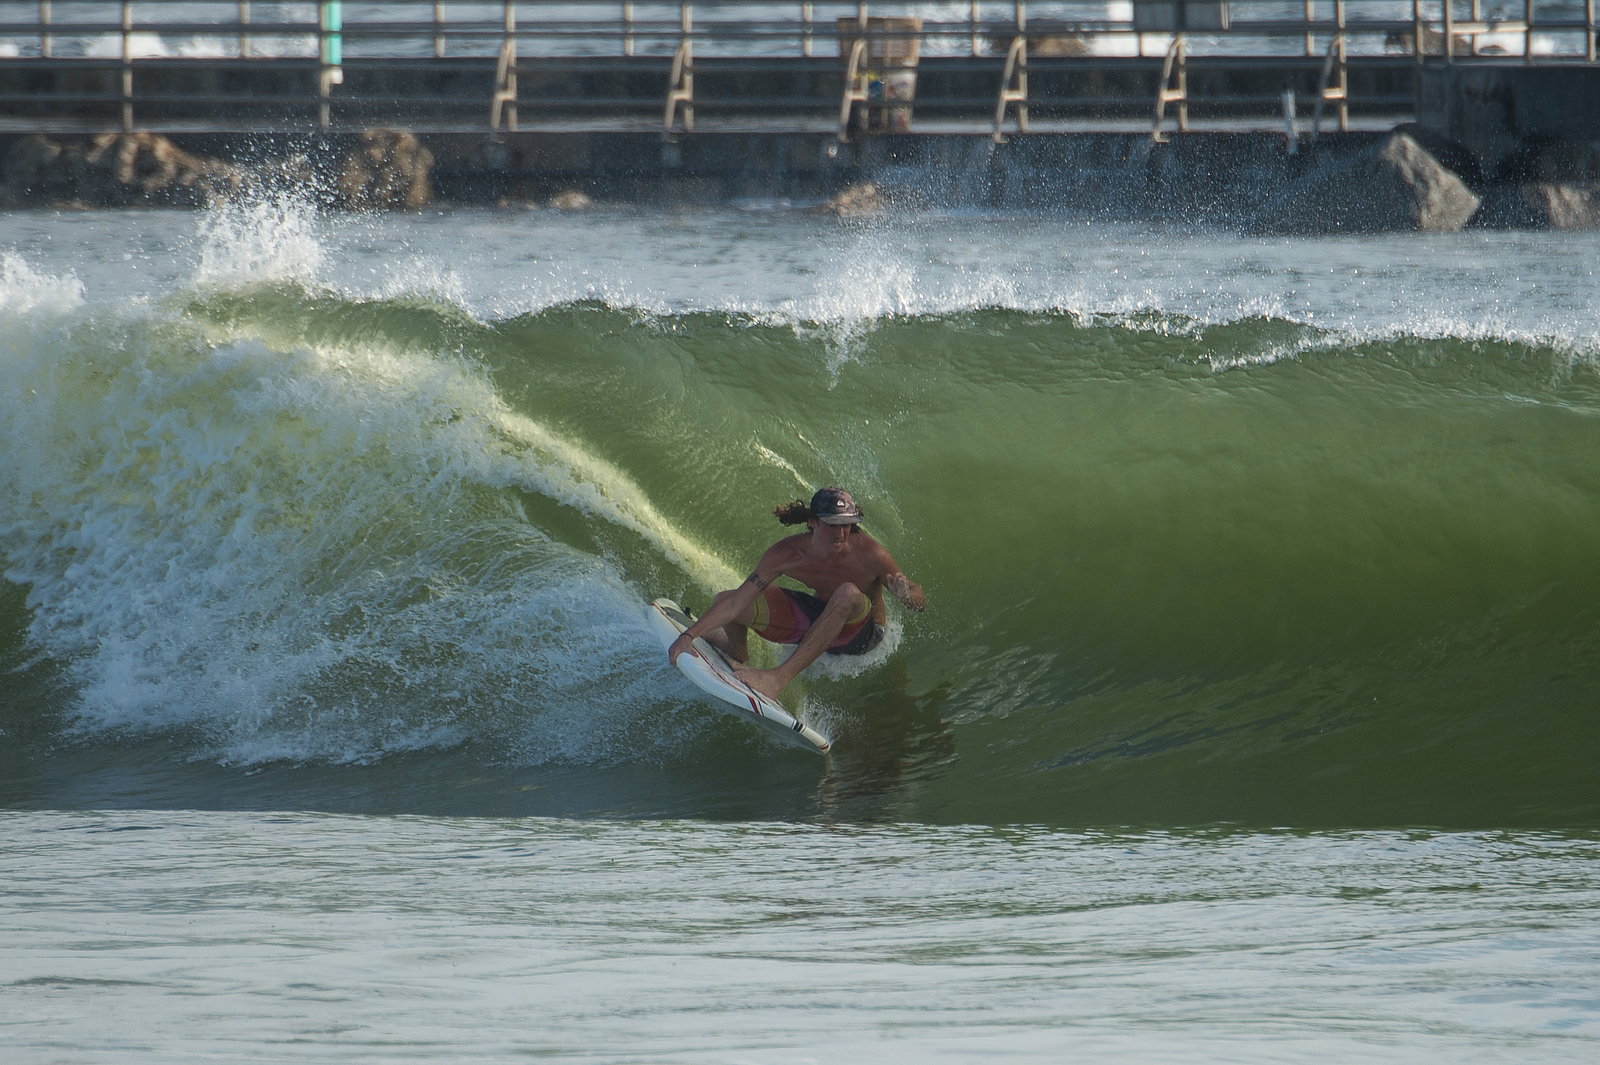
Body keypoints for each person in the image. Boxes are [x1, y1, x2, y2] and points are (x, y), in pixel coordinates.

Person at [667, 487, 926, 700]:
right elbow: (736, 603)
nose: (841, 533)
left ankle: (777, 678)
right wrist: (689, 636)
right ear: (812, 523)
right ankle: (736, 651)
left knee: (847, 593)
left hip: (862, 635)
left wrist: (906, 595)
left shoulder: (870, 553)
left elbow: (917, 599)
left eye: (846, 524)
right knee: (724, 600)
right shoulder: (787, 555)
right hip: (821, 619)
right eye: (832, 524)